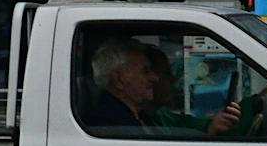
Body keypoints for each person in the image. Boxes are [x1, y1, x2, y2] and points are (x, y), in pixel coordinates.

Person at [87, 39, 241, 137]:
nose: (154, 78)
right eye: (145, 71)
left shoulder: (139, 117)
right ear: (119, 79)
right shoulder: (109, 125)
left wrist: (210, 130)